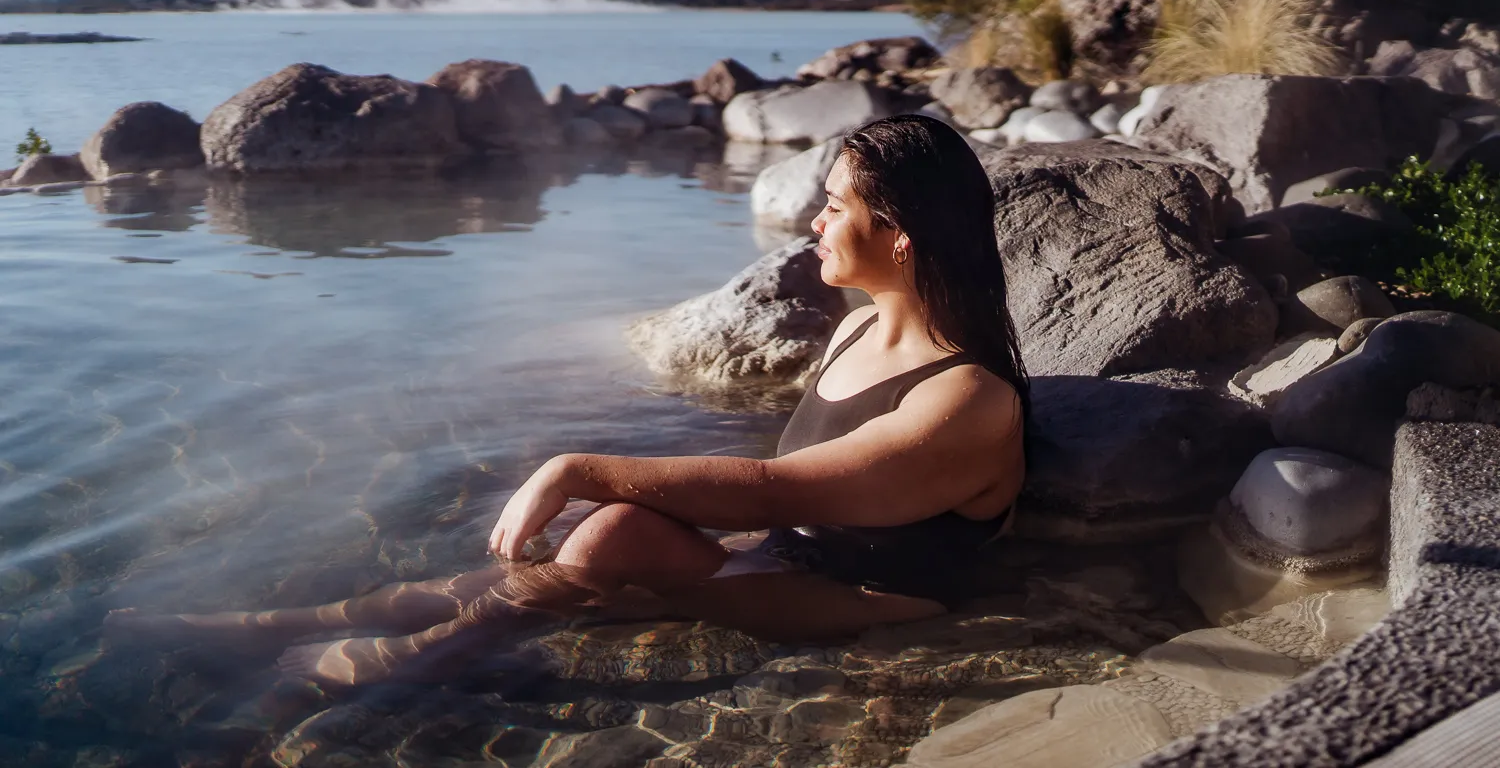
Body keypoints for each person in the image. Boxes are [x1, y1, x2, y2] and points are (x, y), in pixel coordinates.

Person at [108, 114, 1029, 686]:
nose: (813, 222)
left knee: (596, 538)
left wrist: (571, 468)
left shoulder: (966, 401)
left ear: (899, 234)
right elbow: (776, 497)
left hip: (872, 597)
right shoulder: (858, 327)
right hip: (788, 555)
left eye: (835, 206)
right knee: (596, 545)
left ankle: (398, 669)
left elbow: (772, 486)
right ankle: (301, 625)